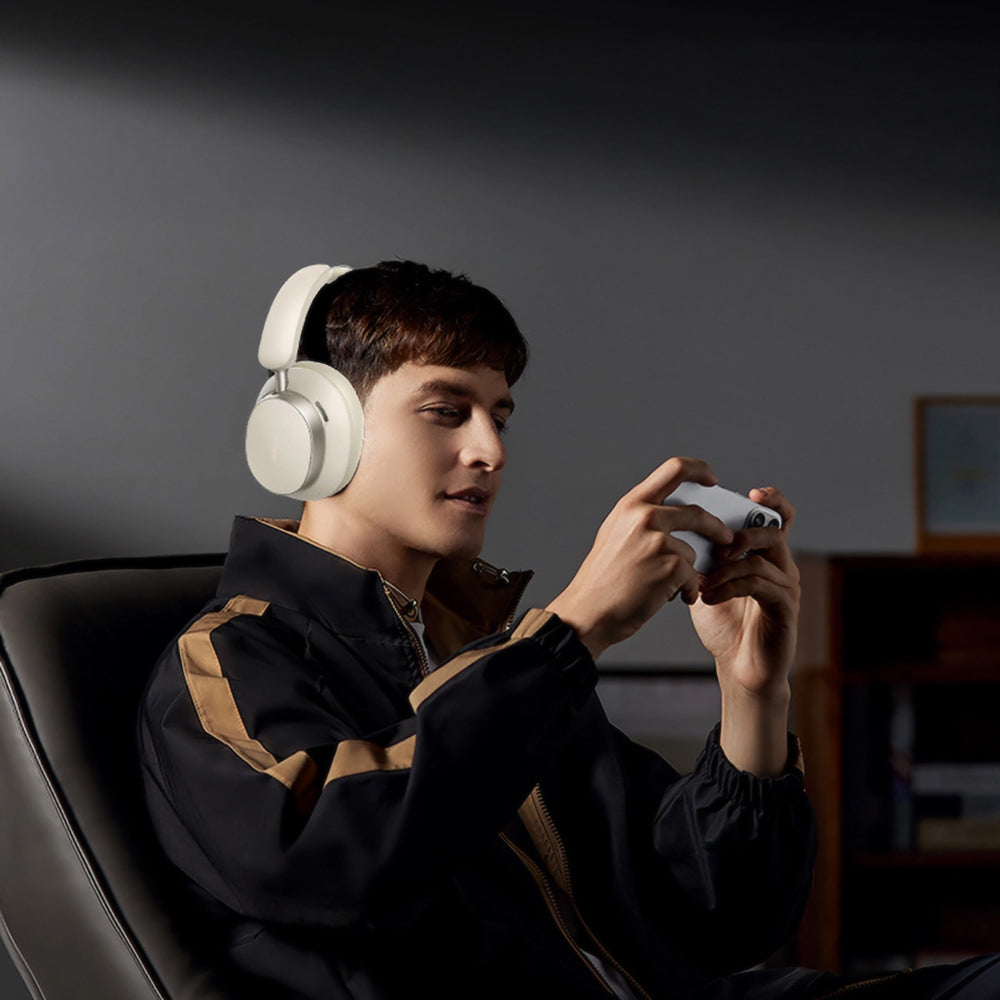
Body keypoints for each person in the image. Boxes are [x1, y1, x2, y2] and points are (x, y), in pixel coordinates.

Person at [138, 261, 999, 1000]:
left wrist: (752, 694)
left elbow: (723, 924)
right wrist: (572, 633)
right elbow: (328, 858)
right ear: (313, 428)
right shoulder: (227, 658)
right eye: (446, 410)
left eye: (500, 415)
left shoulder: (493, 657)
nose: (492, 450)